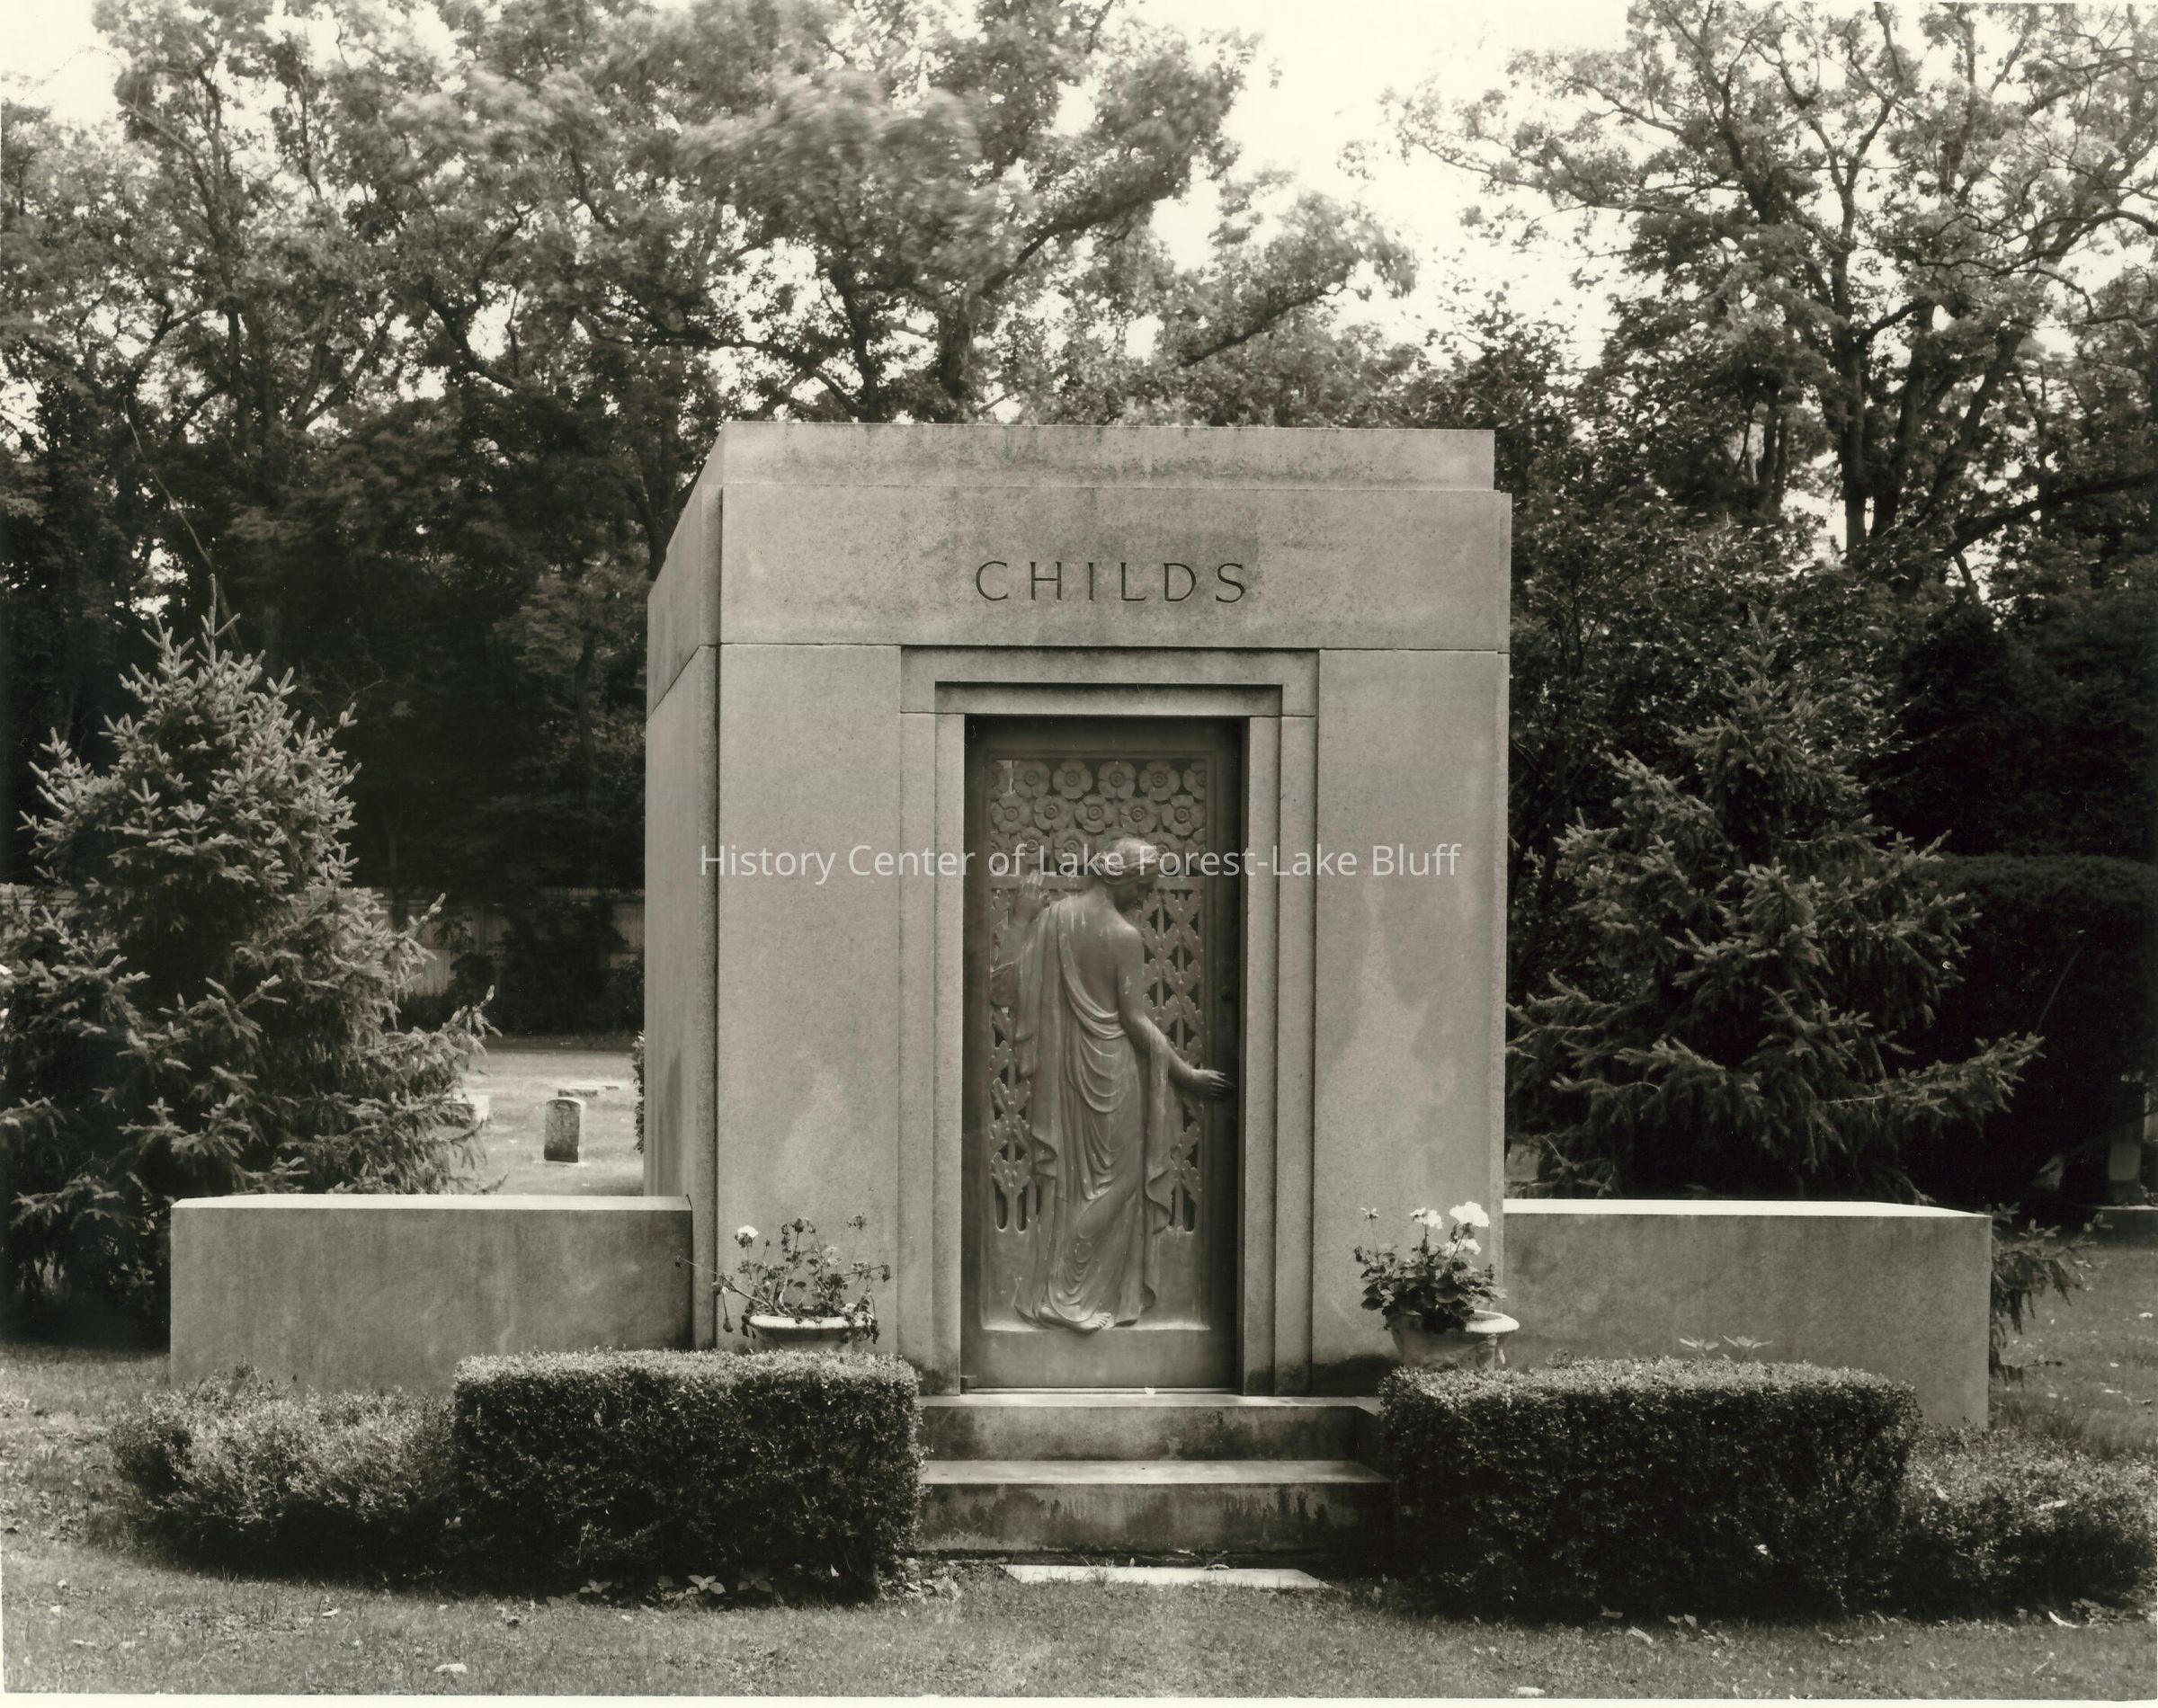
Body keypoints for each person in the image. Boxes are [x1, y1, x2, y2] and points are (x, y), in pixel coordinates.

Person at [1000, 835, 1232, 1330]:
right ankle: (1065, 1296)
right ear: (1118, 876)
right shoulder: (1123, 935)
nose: (1145, 899)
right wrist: (1186, 1074)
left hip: (1066, 1070)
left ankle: (1061, 1293)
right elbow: (1134, 1019)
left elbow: (1004, 988)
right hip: (1111, 1072)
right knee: (1121, 1183)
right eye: (1143, 887)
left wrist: (1020, 921)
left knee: (1079, 1186)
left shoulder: (1053, 918)